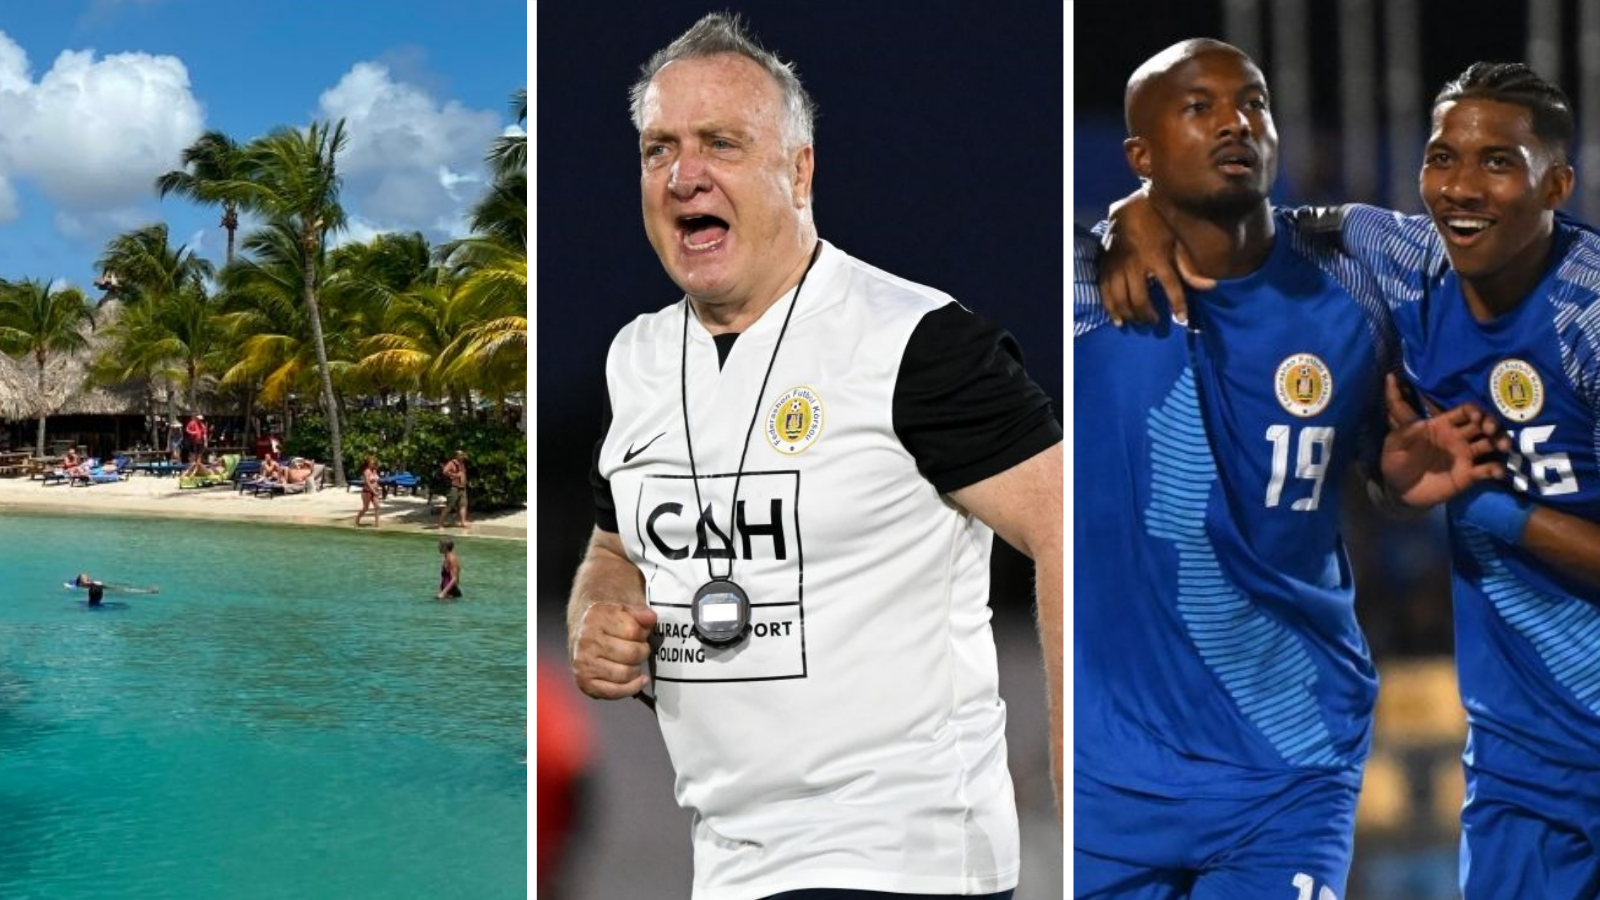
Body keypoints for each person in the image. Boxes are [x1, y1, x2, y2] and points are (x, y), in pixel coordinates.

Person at [567, 14, 1061, 900]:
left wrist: (1083, 783)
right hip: (727, 860)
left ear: (798, 172)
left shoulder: (916, 341)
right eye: (658, 150)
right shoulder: (634, 359)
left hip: (901, 857)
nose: (683, 176)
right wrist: (597, 613)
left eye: (720, 143)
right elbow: (615, 547)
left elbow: (1069, 527)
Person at [1098, 58, 1600, 900]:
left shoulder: (1588, 318)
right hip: (1525, 763)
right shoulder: (1394, 261)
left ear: (1558, 184)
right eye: (1442, 158)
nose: (1461, 187)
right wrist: (1133, 213)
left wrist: (1491, 511)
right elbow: (1241, 220)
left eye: (1497, 163)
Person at [437, 450, 468, 528]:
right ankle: (440, 524)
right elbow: (445, 471)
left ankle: (463, 522)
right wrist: (455, 475)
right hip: (454, 487)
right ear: (456, 456)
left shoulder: (462, 463)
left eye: (463, 455)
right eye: (461, 455)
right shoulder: (452, 463)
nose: (463, 456)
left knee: (463, 505)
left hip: (462, 487)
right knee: (450, 505)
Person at [355, 456, 380, 527]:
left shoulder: (374, 471)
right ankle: (357, 520)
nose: (373, 464)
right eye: (372, 463)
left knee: (377, 506)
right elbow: (367, 483)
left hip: (374, 491)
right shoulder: (366, 471)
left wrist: (377, 489)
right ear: (368, 464)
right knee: (366, 508)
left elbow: (376, 481)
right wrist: (373, 491)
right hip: (367, 492)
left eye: (374, 463)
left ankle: (377, 525)